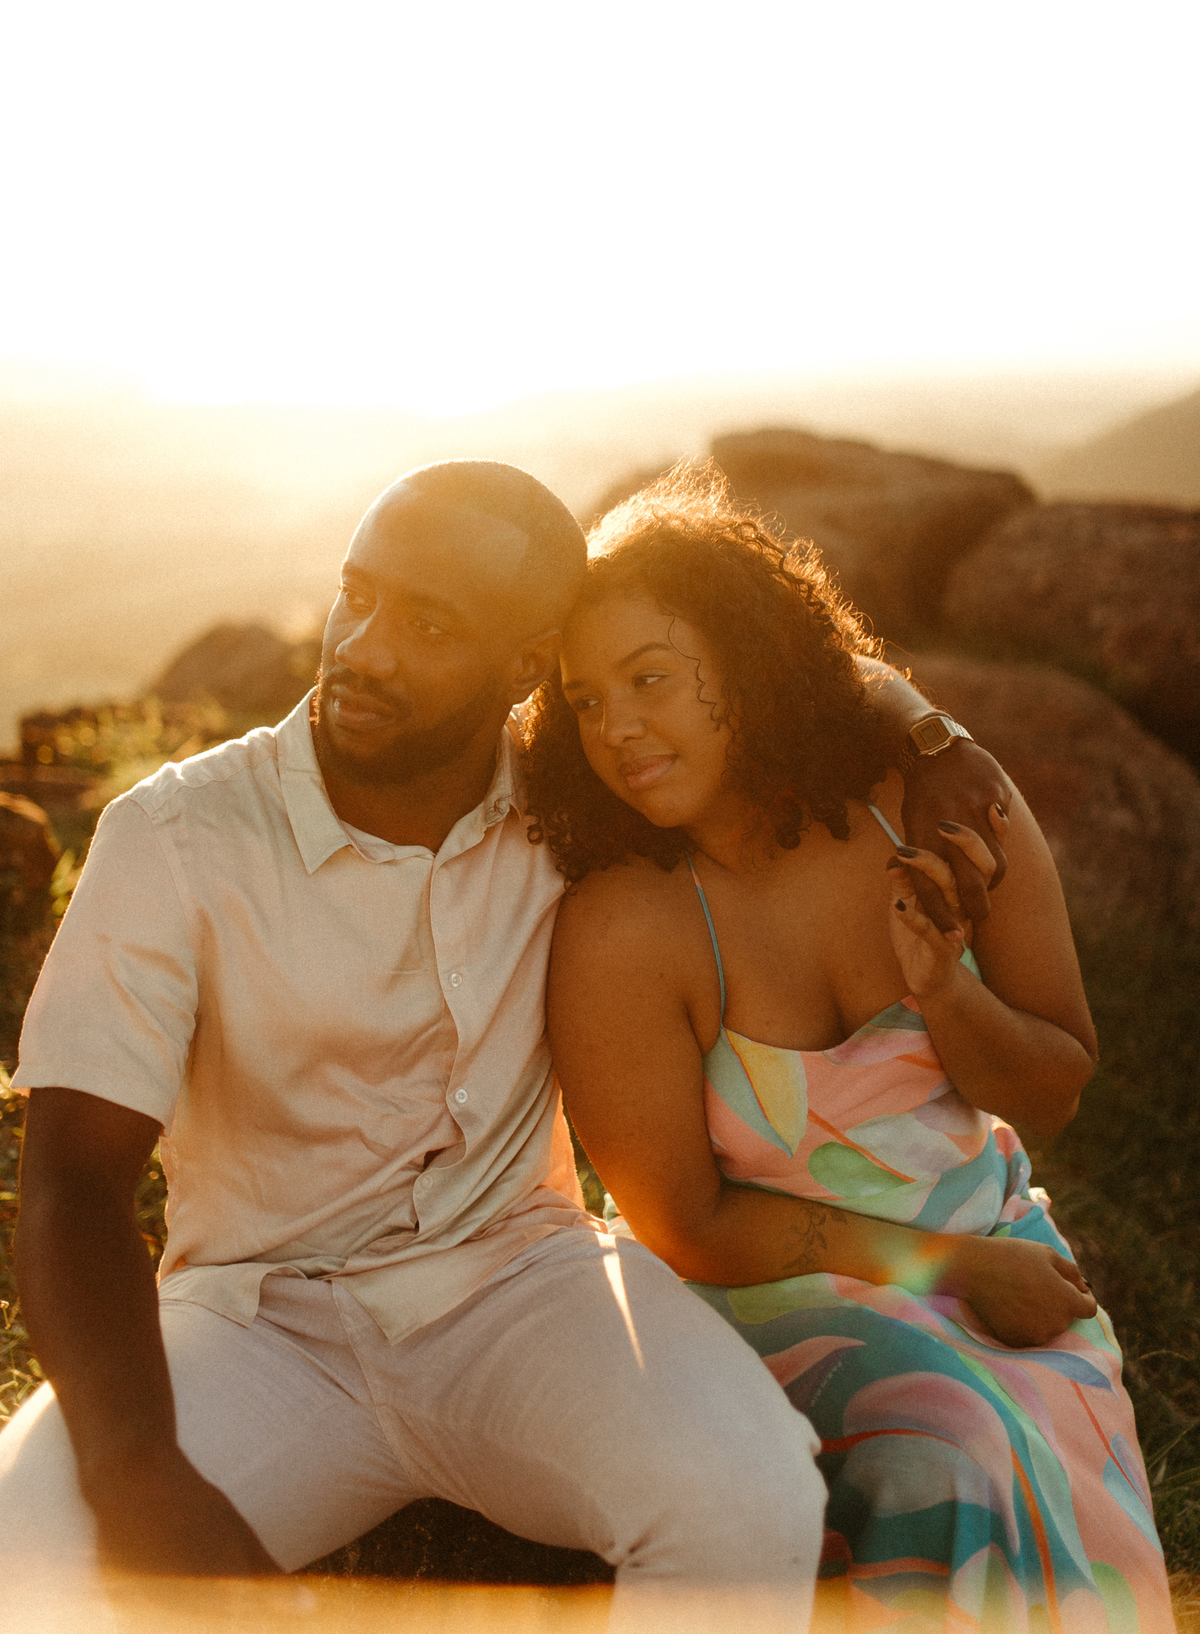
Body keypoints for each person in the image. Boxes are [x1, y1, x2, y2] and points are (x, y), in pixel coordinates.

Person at [3, 459, 1013, 1628]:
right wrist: (138, 1466)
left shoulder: (577, 795)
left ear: (528, 666)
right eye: (358, 594)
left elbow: (767, 676)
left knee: (750, 1506)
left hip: (524, 1284)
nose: (365, 648)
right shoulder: (176, 837)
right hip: (259, 1320)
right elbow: (73, 1183)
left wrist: (932, 736)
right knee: (24, 1549)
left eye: (430, 625)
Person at [531, 464, 1174, 1633]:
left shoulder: (932, 807)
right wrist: (951, 1271)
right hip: (762, 1297)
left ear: (748, 663)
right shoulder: (625, 925)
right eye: (585, 699)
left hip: (1001, 1252)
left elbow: (1057, 1090)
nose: (616, 727)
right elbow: (686, 1223)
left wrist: (946, 995)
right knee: (955, 1445)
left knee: (1031, 1440)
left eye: (651, 678)